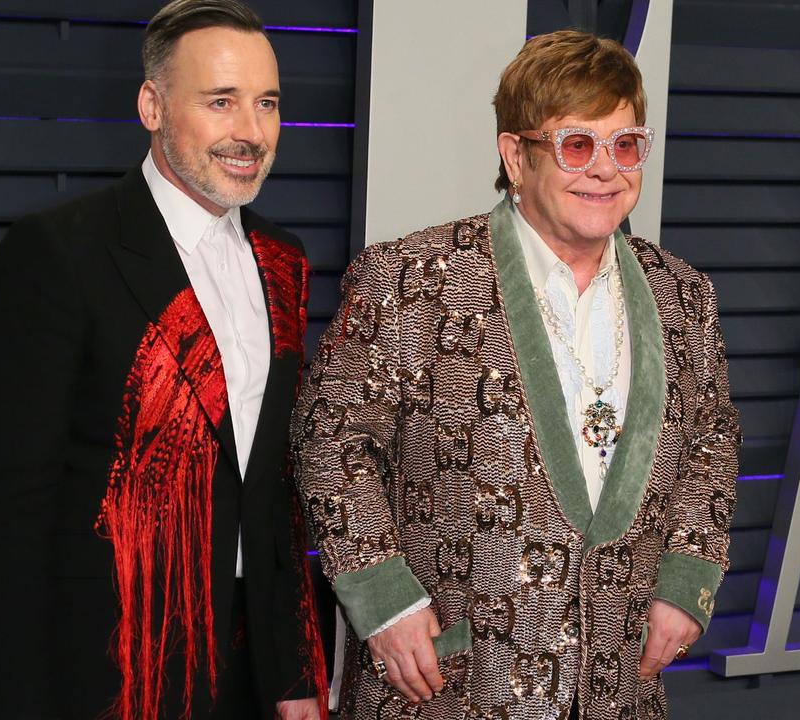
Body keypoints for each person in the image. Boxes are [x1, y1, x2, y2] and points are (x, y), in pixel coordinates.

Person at [292, 30, 740, 720]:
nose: (606, 169)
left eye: (625, 145)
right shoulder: (412, 279)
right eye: (576, 145)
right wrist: (383, 599)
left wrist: (688, 578)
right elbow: (328, 438)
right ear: (515, 154)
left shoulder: (684, 295)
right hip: (449, 689)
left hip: (617, 691)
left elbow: (712, 437)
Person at [0, 1, 327, 717]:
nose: (250, 132)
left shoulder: (284, 260)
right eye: (220, 102)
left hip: (250, 672)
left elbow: (272, 487)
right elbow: (15, 503)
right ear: (152, 104)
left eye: (267, 104)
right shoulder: (59, 252)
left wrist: (294, 668)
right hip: (108, 671)